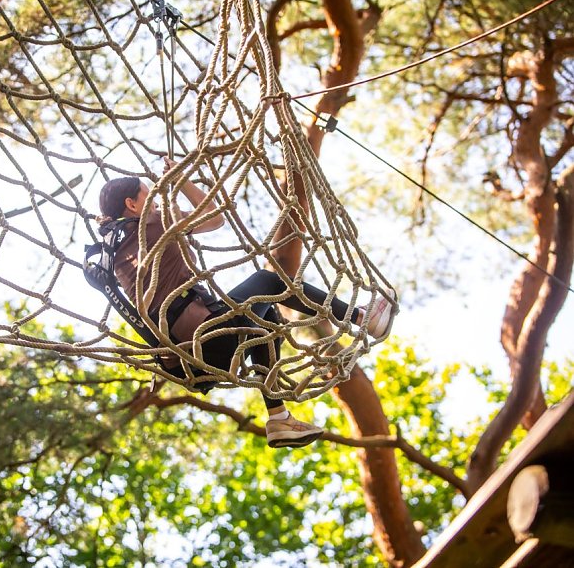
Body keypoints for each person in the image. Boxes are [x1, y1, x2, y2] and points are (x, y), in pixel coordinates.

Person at [97, 158, 393, 448]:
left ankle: (279, 418)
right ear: (132, 205)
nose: (157, 202)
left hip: (194, 358)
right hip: (208, 335)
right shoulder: (152, 221)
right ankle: (361, 317)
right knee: (269, 282)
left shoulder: (114, 248)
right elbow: (214, 217)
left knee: (267, 324)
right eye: (149, 196)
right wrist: (182, 179)